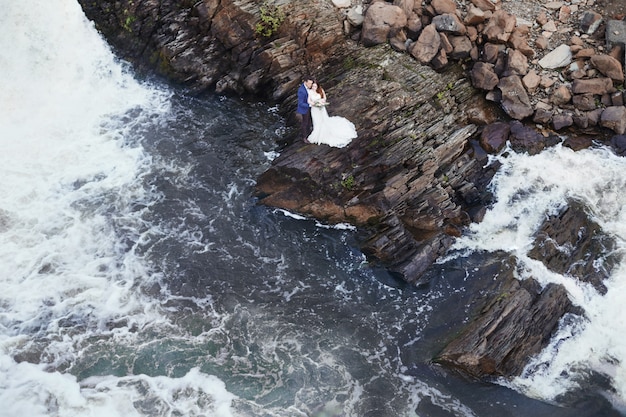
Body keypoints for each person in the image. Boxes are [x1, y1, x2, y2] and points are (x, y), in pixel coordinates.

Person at [306, 82, 357, 148]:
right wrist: (314, 104)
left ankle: (326, 133)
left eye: (315, 86)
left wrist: (322, 102)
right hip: (315, 109)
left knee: (324, 120)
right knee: (317, 121)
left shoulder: (320, 90)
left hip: (321, 108)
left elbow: (324, 98)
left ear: (317, 86)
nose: (314, 88)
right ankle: (318, 133)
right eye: (313, 86)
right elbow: (308, 101)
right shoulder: (309, 92)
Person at [297, 76, 314, 142]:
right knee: (305, 122)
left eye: (311, 83)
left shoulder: (309, 87)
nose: (310, 85)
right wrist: (310, 105)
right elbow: (300, 103)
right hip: (304, 108)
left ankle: (309, 133)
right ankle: (304, 137)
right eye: (309, 83)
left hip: (309, 107)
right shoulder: (301, 91)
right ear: (305, 82)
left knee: (309, 121)